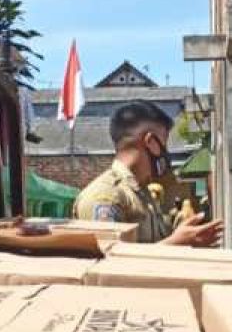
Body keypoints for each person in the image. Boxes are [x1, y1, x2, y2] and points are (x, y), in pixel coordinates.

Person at [73, 100, 223, 246]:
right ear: (150, 142)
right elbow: (108, 262)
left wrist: (184, 233)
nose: (166, 153)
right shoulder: (104, 196)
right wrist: (177, 242)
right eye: (164, 142)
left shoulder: (143, 194)